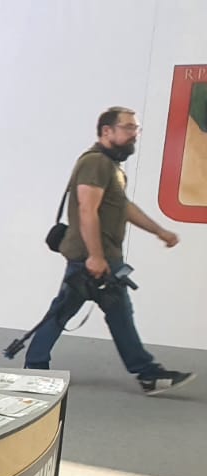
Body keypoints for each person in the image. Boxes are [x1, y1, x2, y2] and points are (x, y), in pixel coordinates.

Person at [24, 106, 193, 395]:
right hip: (90, 256)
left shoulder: (111, 167)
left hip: (99, 255)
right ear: (107, 131)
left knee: (79, 310)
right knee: (103, 311)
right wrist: (96, 256)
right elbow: (87, 210)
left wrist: (159, 231)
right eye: (128, 128)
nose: (134, 135)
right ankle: (146, 373)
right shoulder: (96, 164)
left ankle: (34, 365)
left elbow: (122, 207)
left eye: (136, 129)